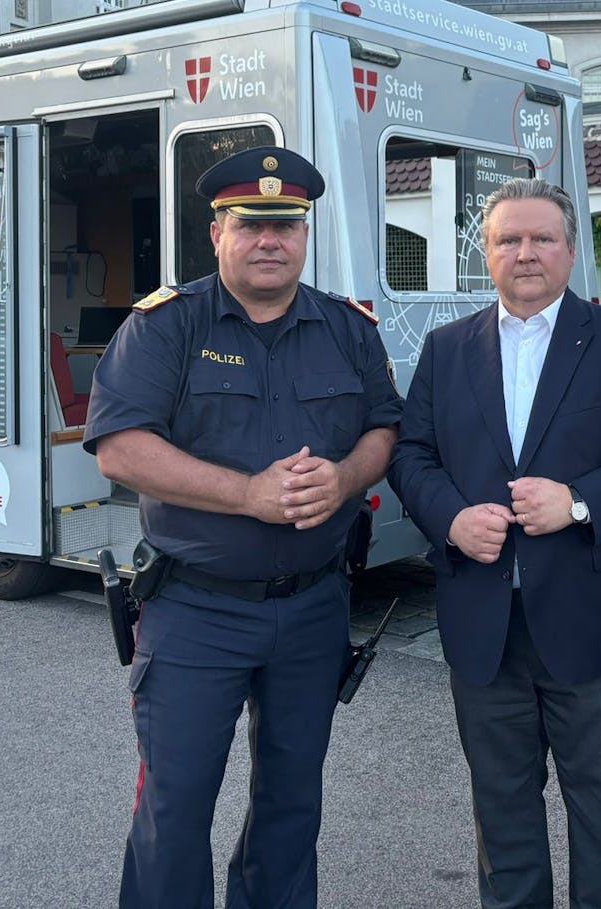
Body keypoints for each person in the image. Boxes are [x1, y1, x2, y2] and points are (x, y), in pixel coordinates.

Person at [83, 146, 402, 909]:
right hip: (196, 609)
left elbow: (384, 429)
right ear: (218, 230)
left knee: (293, 806)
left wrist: (346, 476)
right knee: (176, 803)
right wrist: (248, 494)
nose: (270, 240)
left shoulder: (347, 329)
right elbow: (120, 448)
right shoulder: (167, 326)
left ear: (304, 233)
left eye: (286, 225)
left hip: (314, 608)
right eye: (252, 223)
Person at [388, 178, 601, 909]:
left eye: (542, 238)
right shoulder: (447, 348)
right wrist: (452, 518)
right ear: (485, 255)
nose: (526, 253)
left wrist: (580, 500)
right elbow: (410, 456)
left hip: (592, 628)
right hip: (484, 633)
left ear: (571, 248)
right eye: (508, 240)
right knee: (505, 829)